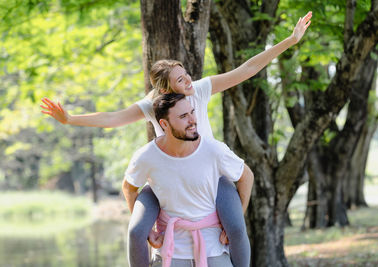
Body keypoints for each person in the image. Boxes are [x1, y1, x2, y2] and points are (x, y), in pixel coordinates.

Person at [40, 11, 312, 267]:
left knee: (237, 227)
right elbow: (112, 119)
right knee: (136, 230)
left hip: (209, 175)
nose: (188, 82)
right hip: (167, 179)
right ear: (165, 90)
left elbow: (248, 69)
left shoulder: (200, 90)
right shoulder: (152, 106)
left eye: (186, 75)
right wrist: (71, 119)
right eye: (181, 80)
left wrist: (291, 40)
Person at [125, 93, 253, 267]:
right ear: (164, 124)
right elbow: (129, 188)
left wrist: (240, 213)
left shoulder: (213, 150)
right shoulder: (146, 156)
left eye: (192, 112)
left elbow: (246, 176)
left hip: (213, 247)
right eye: (184, 116)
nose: (193, 120)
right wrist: (148, 232)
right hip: (170, 250)